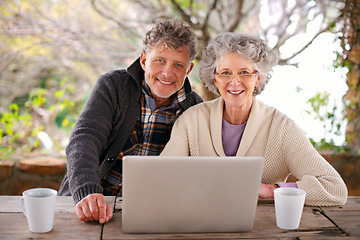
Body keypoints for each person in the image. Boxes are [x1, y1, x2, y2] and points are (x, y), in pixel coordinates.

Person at [161, 32, 348, 206]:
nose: (234, 83)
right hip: (199, 224)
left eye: (244, 72)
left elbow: (334, 188)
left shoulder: (281, 127)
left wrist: (271, 190)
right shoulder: (191, 120)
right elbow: (161, 178)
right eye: (225, 73)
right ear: (215, 78)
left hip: (263, 229)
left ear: (258, 78)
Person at [58, 19, 203, 223]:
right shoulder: (114, 86)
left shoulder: (195, 108)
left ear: (188, 70)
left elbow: (200, 168)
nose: (167, 73)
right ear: (143, 60)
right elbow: (85, 138)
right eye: (160, 60)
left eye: (178, 65)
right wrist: (87, 190)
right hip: (93, 201)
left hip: (150, 213)